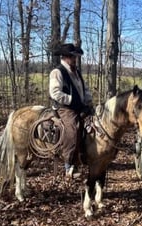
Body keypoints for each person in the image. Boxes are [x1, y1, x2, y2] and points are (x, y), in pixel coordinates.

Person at [49, 43, 93, 179]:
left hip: (79, 106)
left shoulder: (76, 72)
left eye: (76, 57)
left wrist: (87, 99)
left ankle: (85, 156)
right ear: (66, 57)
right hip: (65, 108)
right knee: (72, 130)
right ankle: (68, 165)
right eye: (73, 57)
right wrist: (72, 100)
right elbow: (55, 92)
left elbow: (84, 90)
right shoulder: (58, 72)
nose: (75, 60)